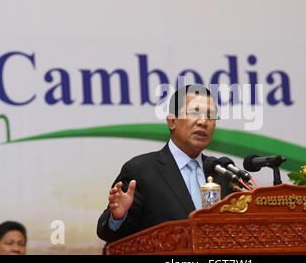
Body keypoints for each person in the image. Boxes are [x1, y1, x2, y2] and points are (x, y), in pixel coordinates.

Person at [97, 84, 235, 243]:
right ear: (172, 121)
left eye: (210, 116)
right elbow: (109, 235)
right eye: (194, 113)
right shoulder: (141, 171)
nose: (203, 122)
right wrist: (118, 217)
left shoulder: (222, 174)